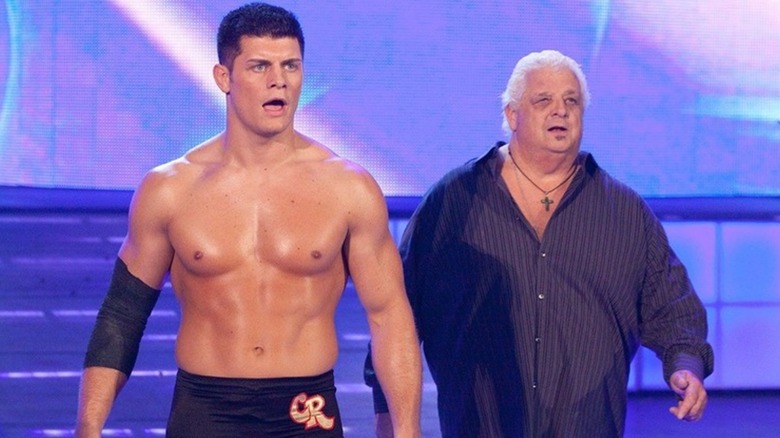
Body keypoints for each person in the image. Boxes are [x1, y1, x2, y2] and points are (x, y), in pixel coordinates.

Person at [75, 3, 422, 437]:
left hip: (305, 409)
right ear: (224, 78)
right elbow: (122, 316)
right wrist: (88, 427)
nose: (278, 80)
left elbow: (389, 315)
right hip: (205, 408)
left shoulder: (348, 188)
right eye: (260, 66)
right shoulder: (170, 189)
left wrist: (408, 432)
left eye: (290, 66)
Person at [365, 49, 713, 437]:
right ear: (512, 115)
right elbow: (397, 313)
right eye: (543, 100)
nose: (560, 111)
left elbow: (673, 308)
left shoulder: (625, 212)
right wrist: (387, 412)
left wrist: (685, 366)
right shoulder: (452, 201)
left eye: (571, 101)